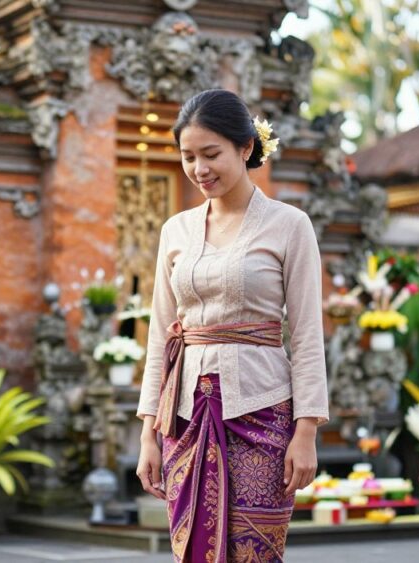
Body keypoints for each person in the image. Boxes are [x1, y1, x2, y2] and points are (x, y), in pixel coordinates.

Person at [135, 89, 328, 562]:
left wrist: (306, 433)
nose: (200, 168)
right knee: (193, 552)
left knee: (255, 552)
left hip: (263, 412)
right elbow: (161, 334)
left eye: (211, 154)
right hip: (183, 416)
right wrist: (147, 435)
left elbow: (305, 336)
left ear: (246, 148)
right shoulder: (174, 231)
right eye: (188, 156)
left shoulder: (290, 225)